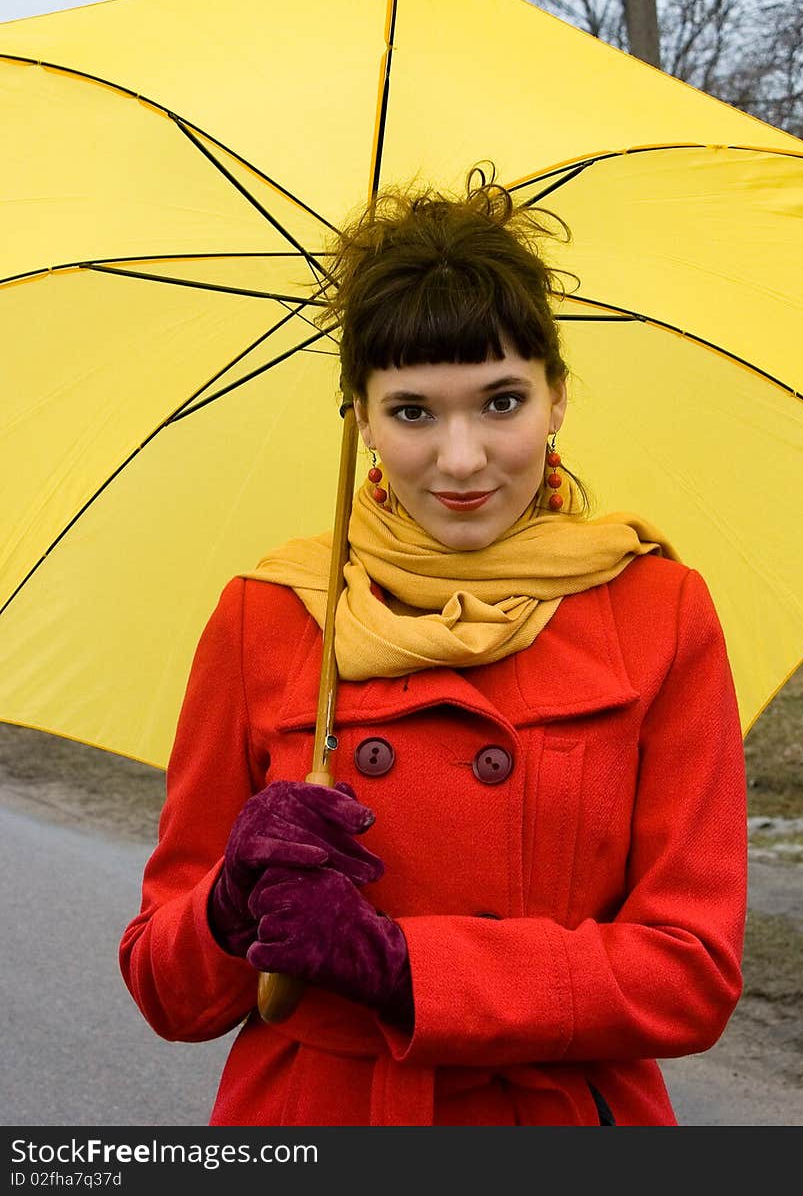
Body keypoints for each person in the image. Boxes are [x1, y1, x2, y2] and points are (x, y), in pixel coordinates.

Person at [119, 168, 748, 1127]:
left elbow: (691, 972)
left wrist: (406, 969)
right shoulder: (269, 614)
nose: (462, 460)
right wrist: (230, 896)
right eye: (413, 410)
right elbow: (168, 992)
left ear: (557, 399)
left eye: (501, 402)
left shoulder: (658, 610)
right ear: (361, 418)